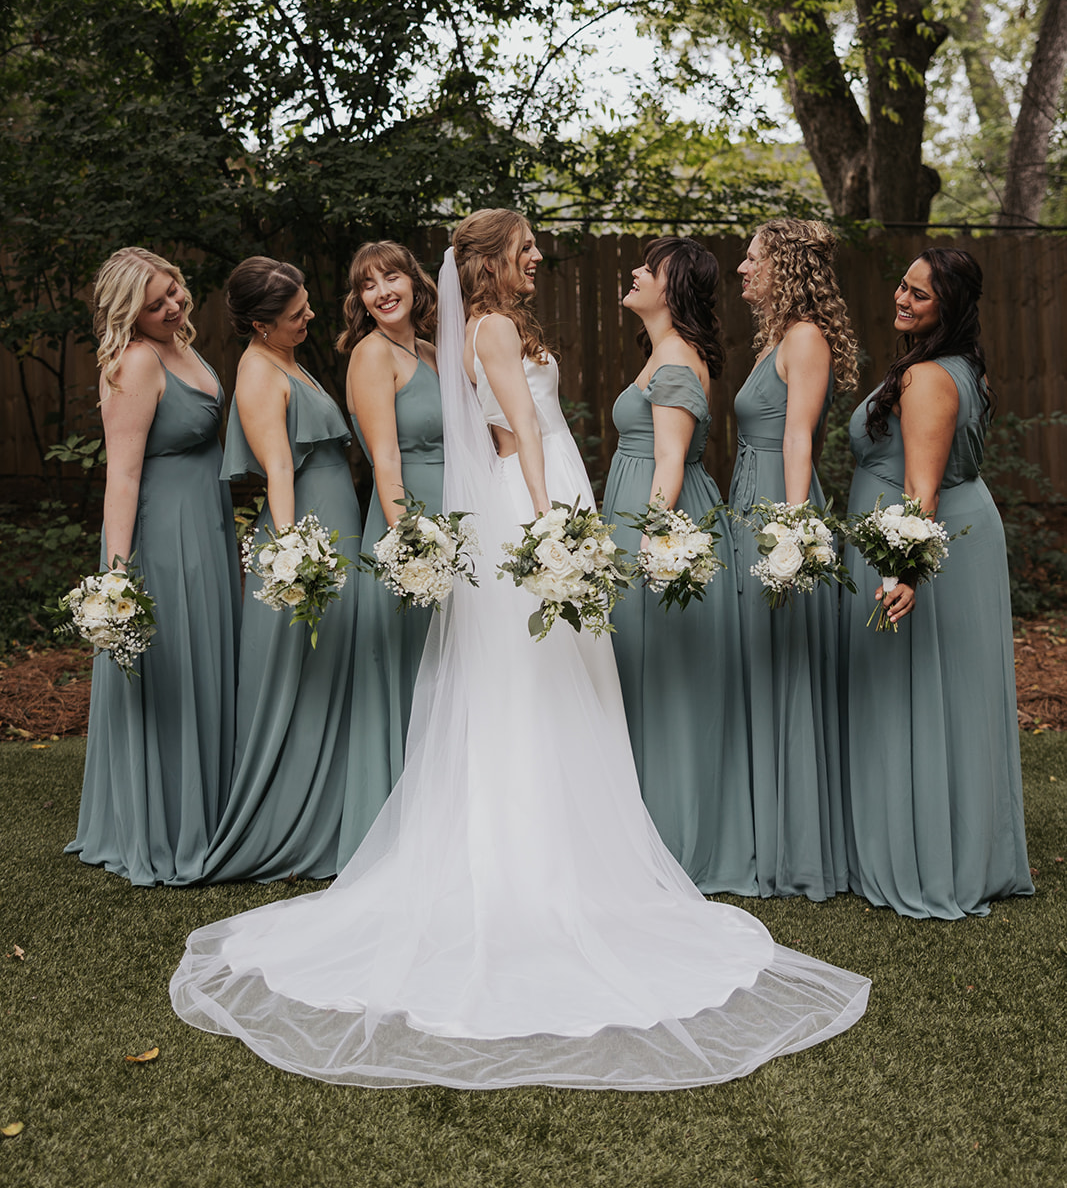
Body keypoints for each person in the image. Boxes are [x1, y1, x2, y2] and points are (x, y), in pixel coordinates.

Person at [170, 211, 869, 1089]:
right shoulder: (491, 328)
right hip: (533, 499)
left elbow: (506, 427)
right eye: (526, 247)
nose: (539, 256)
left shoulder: (488, 330)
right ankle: (533, 854)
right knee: (534, 678)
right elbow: (520, 434)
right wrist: (549, 526)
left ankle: (558, 842)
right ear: (495, 262)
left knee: (545, 675)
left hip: (536, 491)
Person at [840, 247, 1032, 919]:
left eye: (918, 295)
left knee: (921, 694)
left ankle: (928, 857)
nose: (901, 298)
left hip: (929, 542)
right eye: (901, 285)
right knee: (952, 694)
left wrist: (904, 570)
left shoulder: (926, 378)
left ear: (945, 308)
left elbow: (920, 491)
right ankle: (962, 846)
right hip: (966, 531)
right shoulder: (963, 368)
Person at [66, 247, 240, 886]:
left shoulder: (181, 347)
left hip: (208, 524)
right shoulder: (137, 361)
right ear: (128, 314)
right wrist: (115, 580)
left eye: (175, 293)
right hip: (163, 537)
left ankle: (210, 808)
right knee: (172, 669)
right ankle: (165, 825)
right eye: (156, 303)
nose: (173, 306)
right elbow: (123, 475)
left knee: (203, 664)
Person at [199, 257, 361, 883]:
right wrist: (295, 556)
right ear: (263, 324)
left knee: (333, 671)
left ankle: (336, 810)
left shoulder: (286, 359)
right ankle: (287, 824)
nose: (311, 316)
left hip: (334, 524)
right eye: (297, 314)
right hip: (309, 532)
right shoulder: (259, 374)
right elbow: (280, 472)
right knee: (302, 674)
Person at [602, 236, 755, 894]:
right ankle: (639, 832)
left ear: (672, 288)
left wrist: (652, 540)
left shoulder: (674, 357)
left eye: (648, 266)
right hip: (642, 509)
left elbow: (668, 460)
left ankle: (677, 839)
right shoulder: (661, 351)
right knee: (643, 679)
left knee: (665, 682)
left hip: (659, 520)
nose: (635, 271)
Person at [729, 219, 858, 900]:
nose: (741, 269)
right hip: (754, 499)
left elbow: (799, 440)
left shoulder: (804, 337)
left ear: (782, 266)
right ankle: (764, 830)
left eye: (752, 259)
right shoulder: (775, 338)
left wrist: (790, 532)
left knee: (788, 669)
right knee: (764, 665)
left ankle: (799, 848)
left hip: (779, 505)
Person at [335, 241, 443, 864]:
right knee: (408, 667)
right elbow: (386, 460)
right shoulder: (372, 355)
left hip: (453, 518)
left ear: (413, 281)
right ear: (361, 300)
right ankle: (397, 837)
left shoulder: (427, 350)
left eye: (392, 275)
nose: (382, 290)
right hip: (408, 521)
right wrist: (409, 546)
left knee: (447, 668)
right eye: (369, 284)